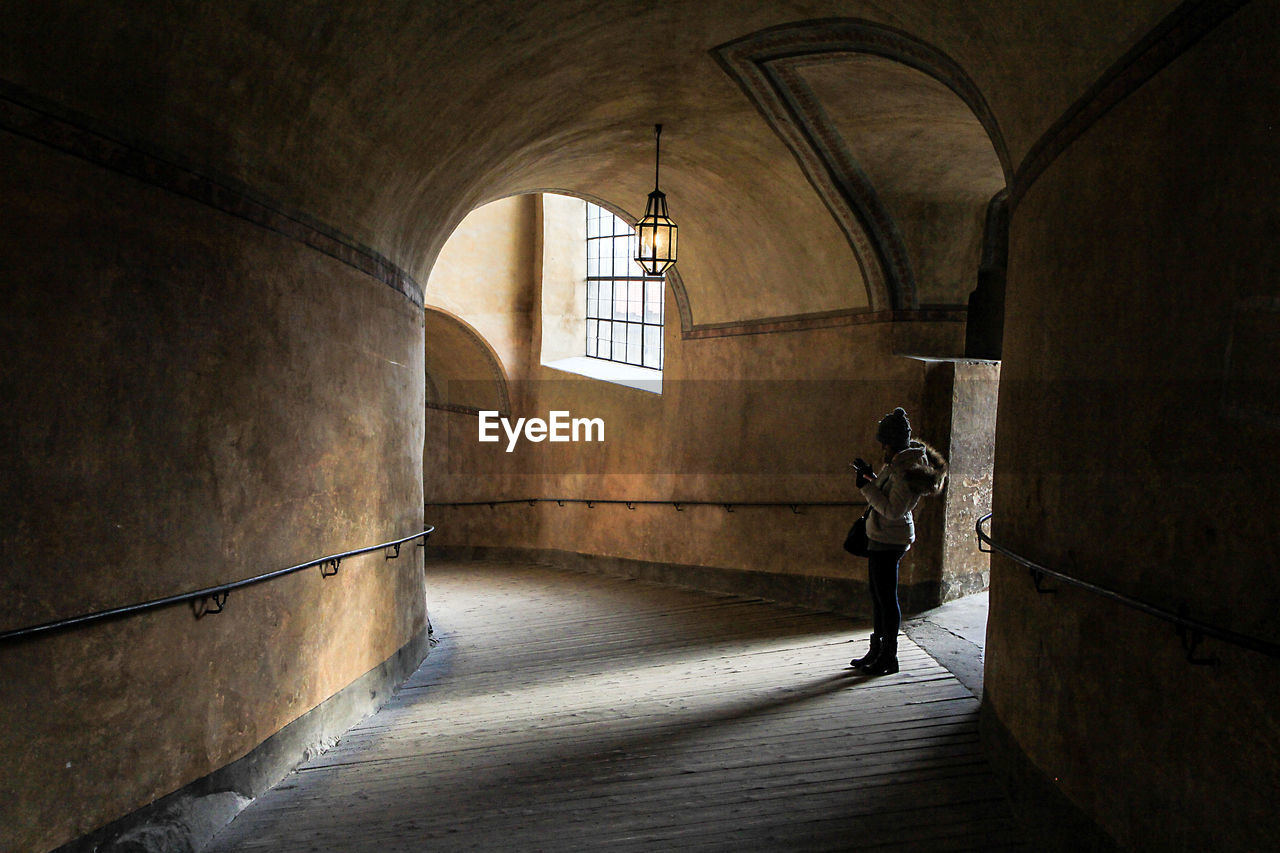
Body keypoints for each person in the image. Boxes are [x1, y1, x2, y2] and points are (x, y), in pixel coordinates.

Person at [849, 407, 947, 675]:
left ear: (891, 442)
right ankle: (877, 649)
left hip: (890, 540)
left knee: (886, 599)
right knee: (877, 596)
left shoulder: (906, 470)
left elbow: (893, 510)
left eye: (883, 442)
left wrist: (866, 487)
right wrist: (870, 477)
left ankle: (889, 657)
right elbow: (887, 496)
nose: (881, 446)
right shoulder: (897, 464)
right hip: (880, 536)